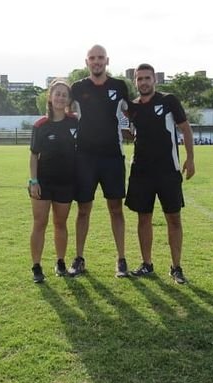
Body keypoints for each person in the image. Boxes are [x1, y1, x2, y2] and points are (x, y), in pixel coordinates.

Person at [125, 63, 195, 284]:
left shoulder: (168, 100)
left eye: (147, 78)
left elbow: (185, 128)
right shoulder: (132, 106)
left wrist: (190, 158)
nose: (143, 82)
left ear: (154, 80)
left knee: (173, 218)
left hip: (168, 171)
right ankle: (147, 264)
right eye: (140, 79)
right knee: (143, 218)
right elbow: (132, 133)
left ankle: (176, 267)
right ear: (135, 82)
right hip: (141, 172)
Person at [69, 44, 130, 278]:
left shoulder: (119, 86)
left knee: (116, 209)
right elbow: (62, 110)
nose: (97, 61)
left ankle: (121, 259)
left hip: (113, 157)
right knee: (83, 209)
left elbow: (130, 113)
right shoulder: (78, 88)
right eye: (92, 58)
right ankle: (79, 258)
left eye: (100, 58)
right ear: (86, 62)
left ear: (107, 61)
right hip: (84, 158)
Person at [29, 80, 78, 283]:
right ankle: (37, 266)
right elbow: (33, 156)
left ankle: (60, 262)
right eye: (57, 94)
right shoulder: (40, 125)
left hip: (66, 182)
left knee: (61, 223)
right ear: (50, 97)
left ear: (68, 100)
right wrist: (33, 181)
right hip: (43, 183)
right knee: (40, 223)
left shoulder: (75, 122)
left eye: (64, 95)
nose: (60, 98)